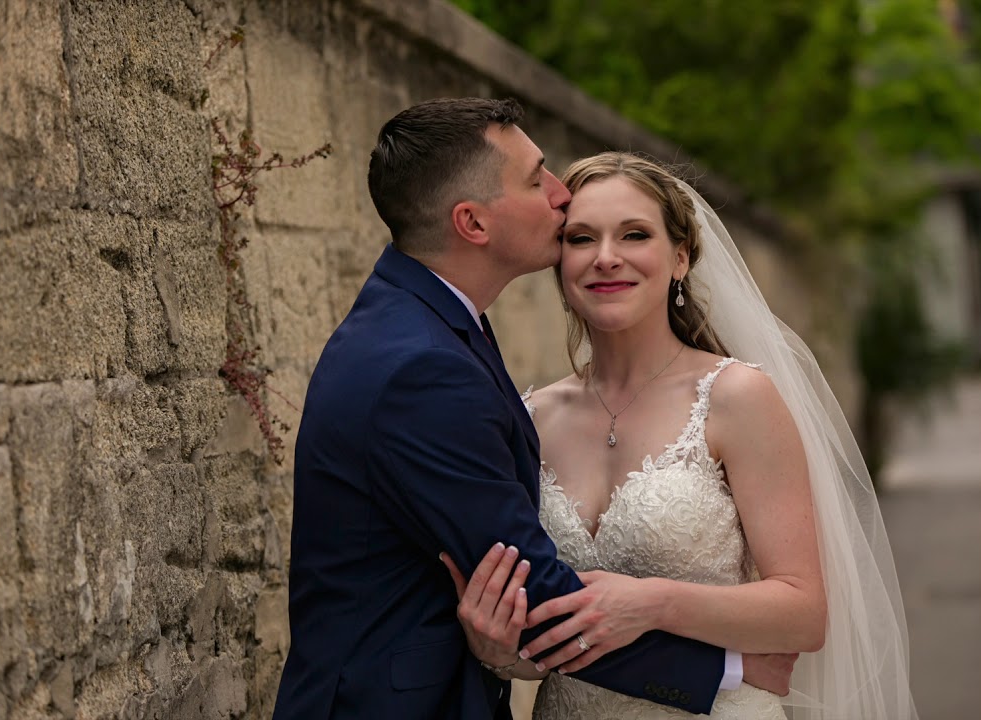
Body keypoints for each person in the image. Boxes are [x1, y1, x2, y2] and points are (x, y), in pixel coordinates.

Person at [270, 98, 796, 720]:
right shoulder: (428, 366)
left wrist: (660, 616)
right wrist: (729, 670)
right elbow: (524, 591)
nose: (558, 194)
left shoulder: (433, 329)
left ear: (681, 256)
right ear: (472, 223)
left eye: (634, 234)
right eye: (535, 178)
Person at [445, 151, 919, 719]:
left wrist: (651, 603)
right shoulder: (528, 417)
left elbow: (804, 612)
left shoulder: (736, 398)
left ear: (680, 257)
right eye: (580, 239)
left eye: (634, 234)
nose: (606, 258)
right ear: (559, 259)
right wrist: (498, 651)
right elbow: (542, 636)